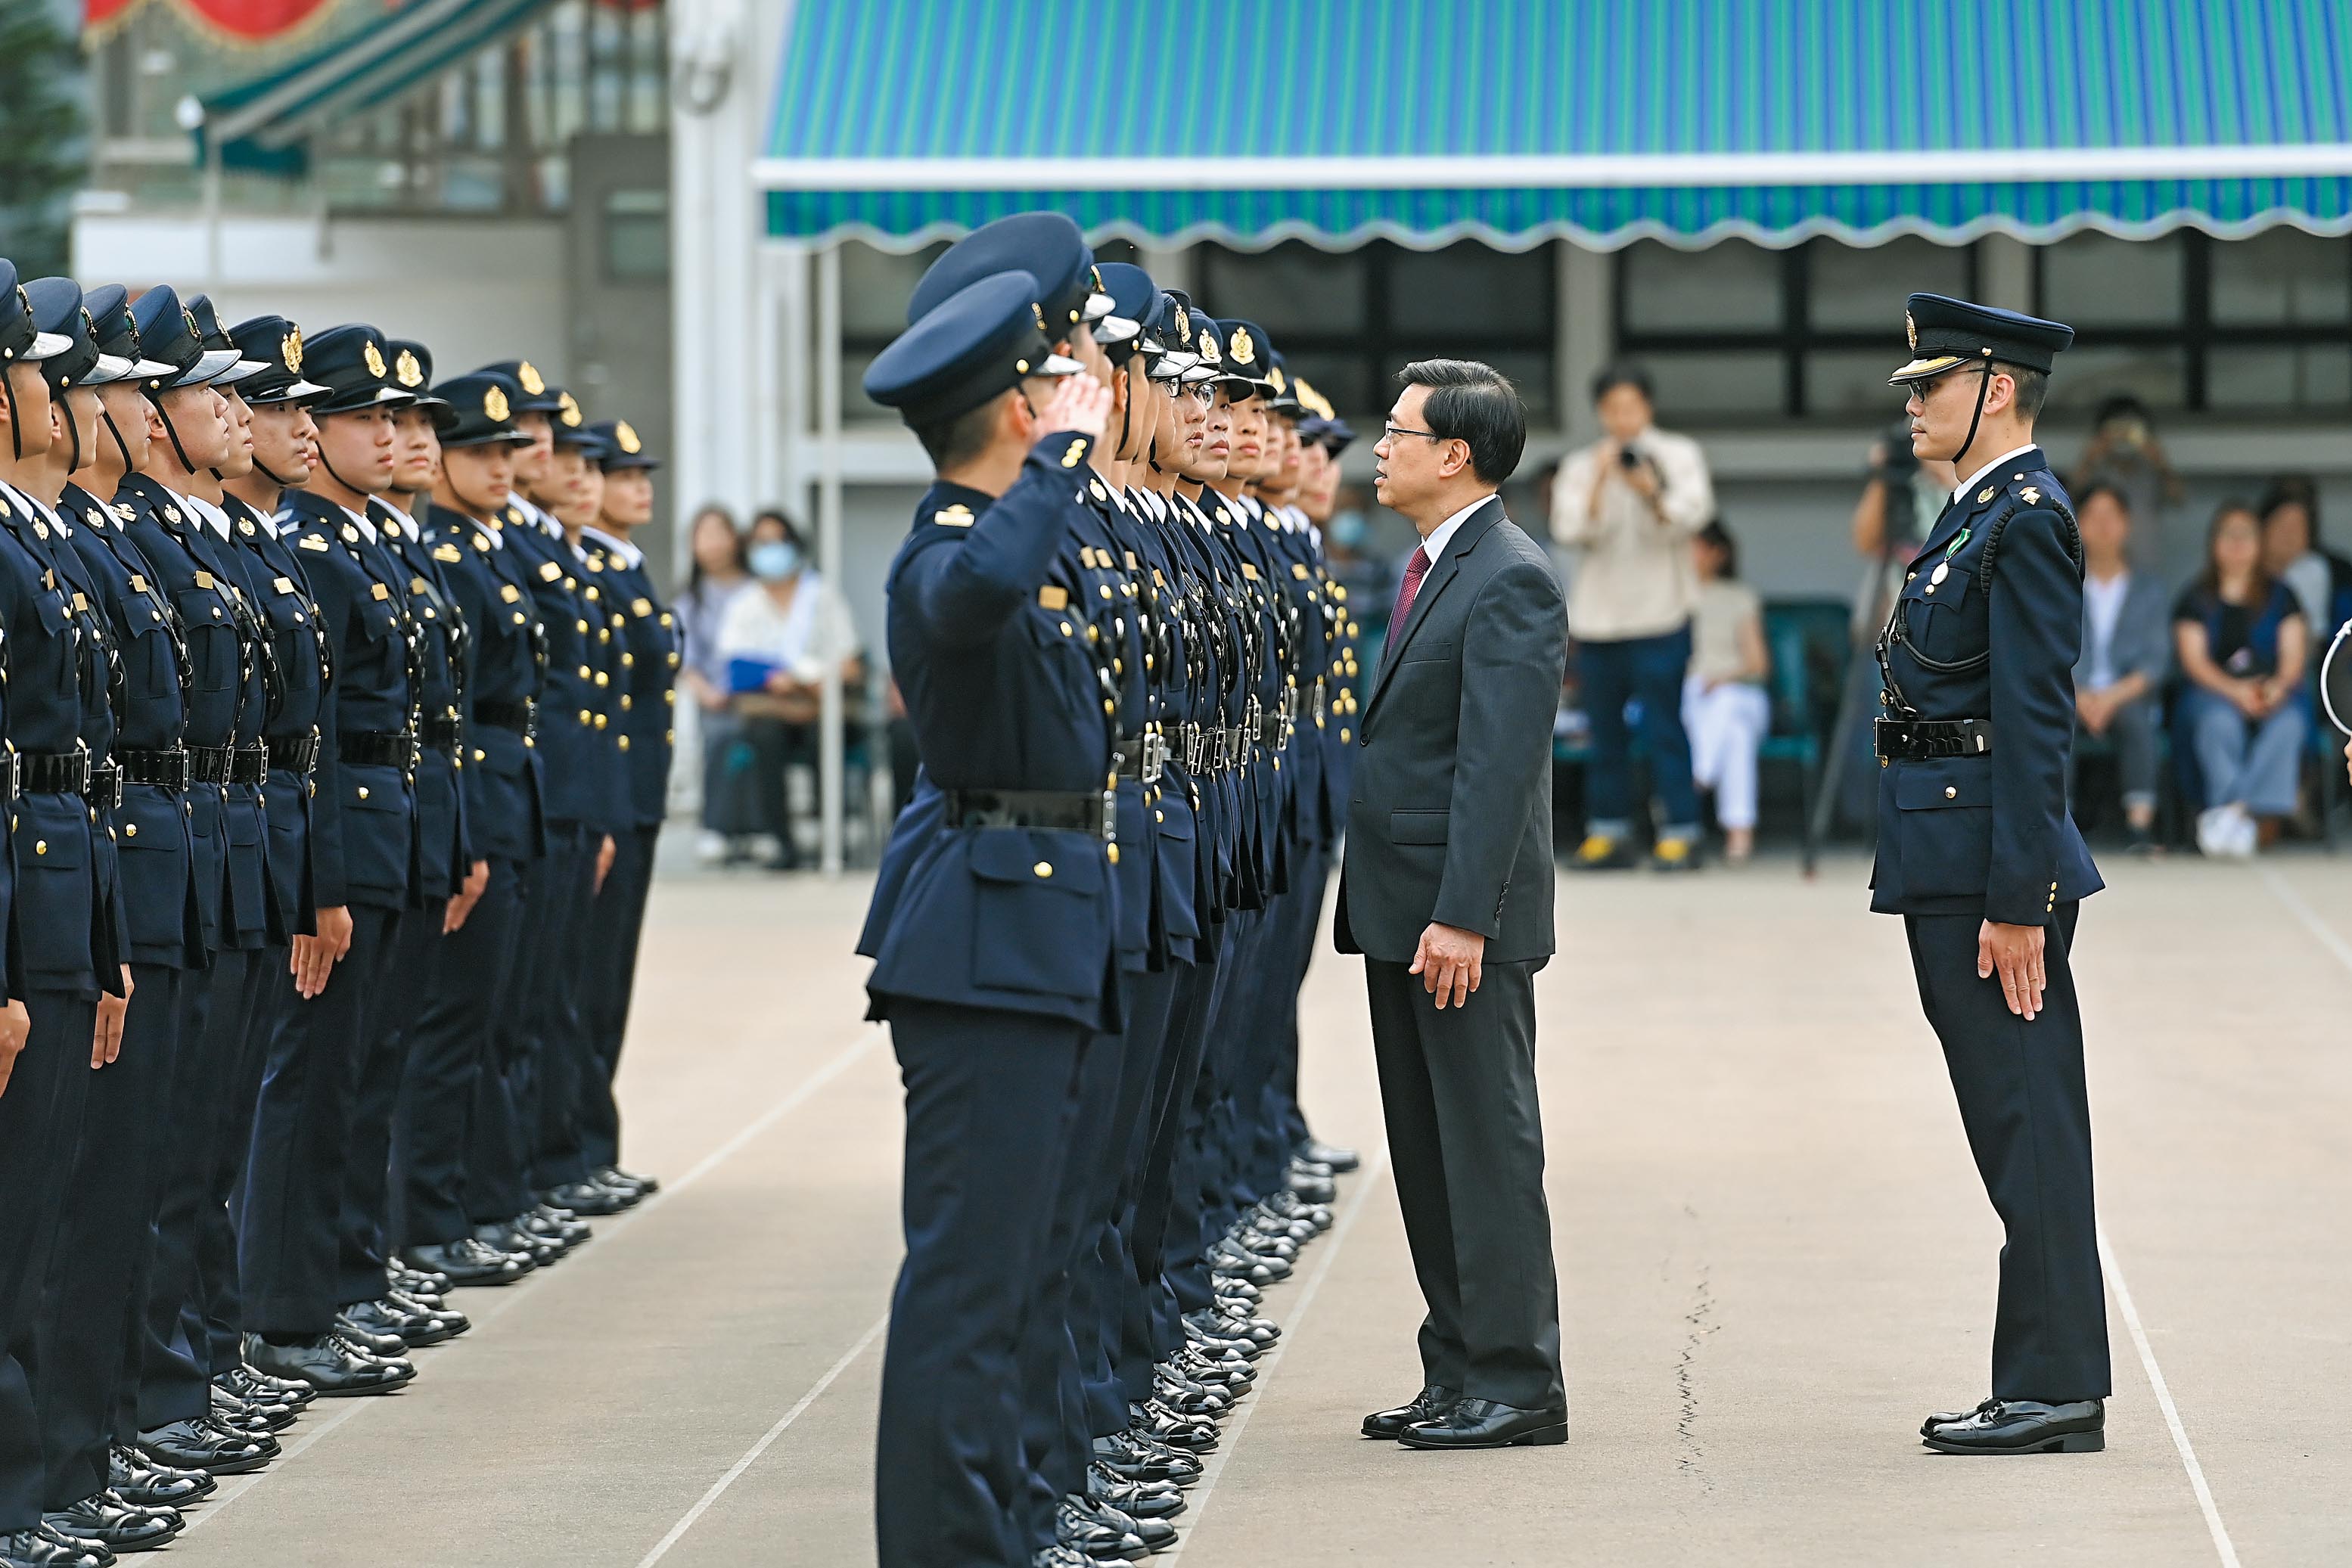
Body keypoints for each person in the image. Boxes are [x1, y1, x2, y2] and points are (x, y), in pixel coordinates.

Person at [1879, 292, 2109, 1457]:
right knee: (2008, 1123)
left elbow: (2034, 724)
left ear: (1997, 388)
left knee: (2028, 1126)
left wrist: (2021, 902)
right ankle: (2043, 1377)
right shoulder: (1974, 514)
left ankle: (2054, 1387)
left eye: (1933, 385)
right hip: (1947, 855)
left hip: (1988, 876)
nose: (1914, 403)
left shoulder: (2025, 522)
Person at [1339, 359, 1568, 1452]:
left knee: (1485, 1148)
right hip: (1406, 907)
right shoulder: (1437, 562)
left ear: (1454, 455)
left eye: (1397, 432)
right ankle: (1458, 1366)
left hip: (1457, 918)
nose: (1379, 449)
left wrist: (1466, 913)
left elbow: (1499, 765)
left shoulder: (1509, 576)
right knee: (1428, 1151)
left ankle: (1518, 1381)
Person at [1549, 362, 1714, 871]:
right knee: (1604, 734)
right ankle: (1609, 832)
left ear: (1647, 406)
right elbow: (1567, 529)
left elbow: (1695, 515)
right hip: (1599, 620)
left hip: (1662, 614)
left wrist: (1649, 489)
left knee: (1665, 727)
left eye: (1631, 407)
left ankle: (1681, 831)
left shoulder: (1678, 455)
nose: (1622, 418)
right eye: (1612, 409)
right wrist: (1602, 478)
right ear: (1600, 412)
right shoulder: (1582, 464)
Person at [715, 508, 859, 870]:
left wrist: (816, 680)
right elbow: (735, 667)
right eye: (762, 543)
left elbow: (850, 661)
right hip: (770, 709)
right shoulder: (745, 603)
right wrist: (774, 679)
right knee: (765, 738)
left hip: (818, 705)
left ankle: (832, 837)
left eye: (778, 541)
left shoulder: (820, 595)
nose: (771, 550)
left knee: (826, 739)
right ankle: (781, 842)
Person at [2174, 500, 2308, 858]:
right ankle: (2239, 815)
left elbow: (2294, 657)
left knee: (2290, 723)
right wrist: (2235, 691)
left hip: (2270, 692)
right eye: (2228, 535)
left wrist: (2277, 686)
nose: (2237, 544)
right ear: (2213, 543)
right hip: (2213, 694)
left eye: (2246, 535)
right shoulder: (2195, 598)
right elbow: (2195, 662)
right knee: (2218, 721)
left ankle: (2233, 815)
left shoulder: (2283, 595)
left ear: (2260, 542)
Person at [2071, 484, 2169, 852]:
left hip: (2126, 695)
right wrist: (2080, 696)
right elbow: (2045, 652)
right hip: (2072, 692)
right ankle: (2058, 825)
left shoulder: (2149, 589)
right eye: (2093, 516)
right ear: (2078, 522)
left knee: (2137, 719)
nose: (2103, 525)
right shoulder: (2062, 583)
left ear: (2126, 524)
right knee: (2053, 719)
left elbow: (2156, 661)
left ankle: (2139, 827)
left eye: (2111, 516)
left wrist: (2110, 698)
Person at [1682, 520, 1771, 863]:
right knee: (1736, 736)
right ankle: (1739, 835)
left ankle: (1700, 775)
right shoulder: (1675, 597)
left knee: (1728, 701)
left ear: (1718, 554)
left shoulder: (1738, 598)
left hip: (1739, 692)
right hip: (1693, 698)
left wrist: (1722, 678)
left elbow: (1758, 665)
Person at [674, 504, 754, 860]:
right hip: (717, 698)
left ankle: (756, 827)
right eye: (704, 536)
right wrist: (708, 693)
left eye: (719, 534)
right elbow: (686, 658)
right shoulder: (692, 599)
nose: (713, 544)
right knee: (721, 740)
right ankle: (717, 826)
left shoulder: (757, 589)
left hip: (759, 695)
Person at [2071, 394, 2185, 584]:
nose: (2123, 436)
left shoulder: (2150, 468)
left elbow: (2179, 498)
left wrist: (2158, 459)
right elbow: (2069, 498)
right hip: (2098, 566)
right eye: (2116, 429)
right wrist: (2091, 455)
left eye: (2130, 429)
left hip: (2146, 556)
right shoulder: (2097, 469)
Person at [2257, 477, 2352, 641]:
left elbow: (2314, 639)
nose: (2290, 535)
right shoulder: (2242, 561)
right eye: (2283, 525)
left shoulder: (2312, 569)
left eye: (2299, 527)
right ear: (2263, 527)